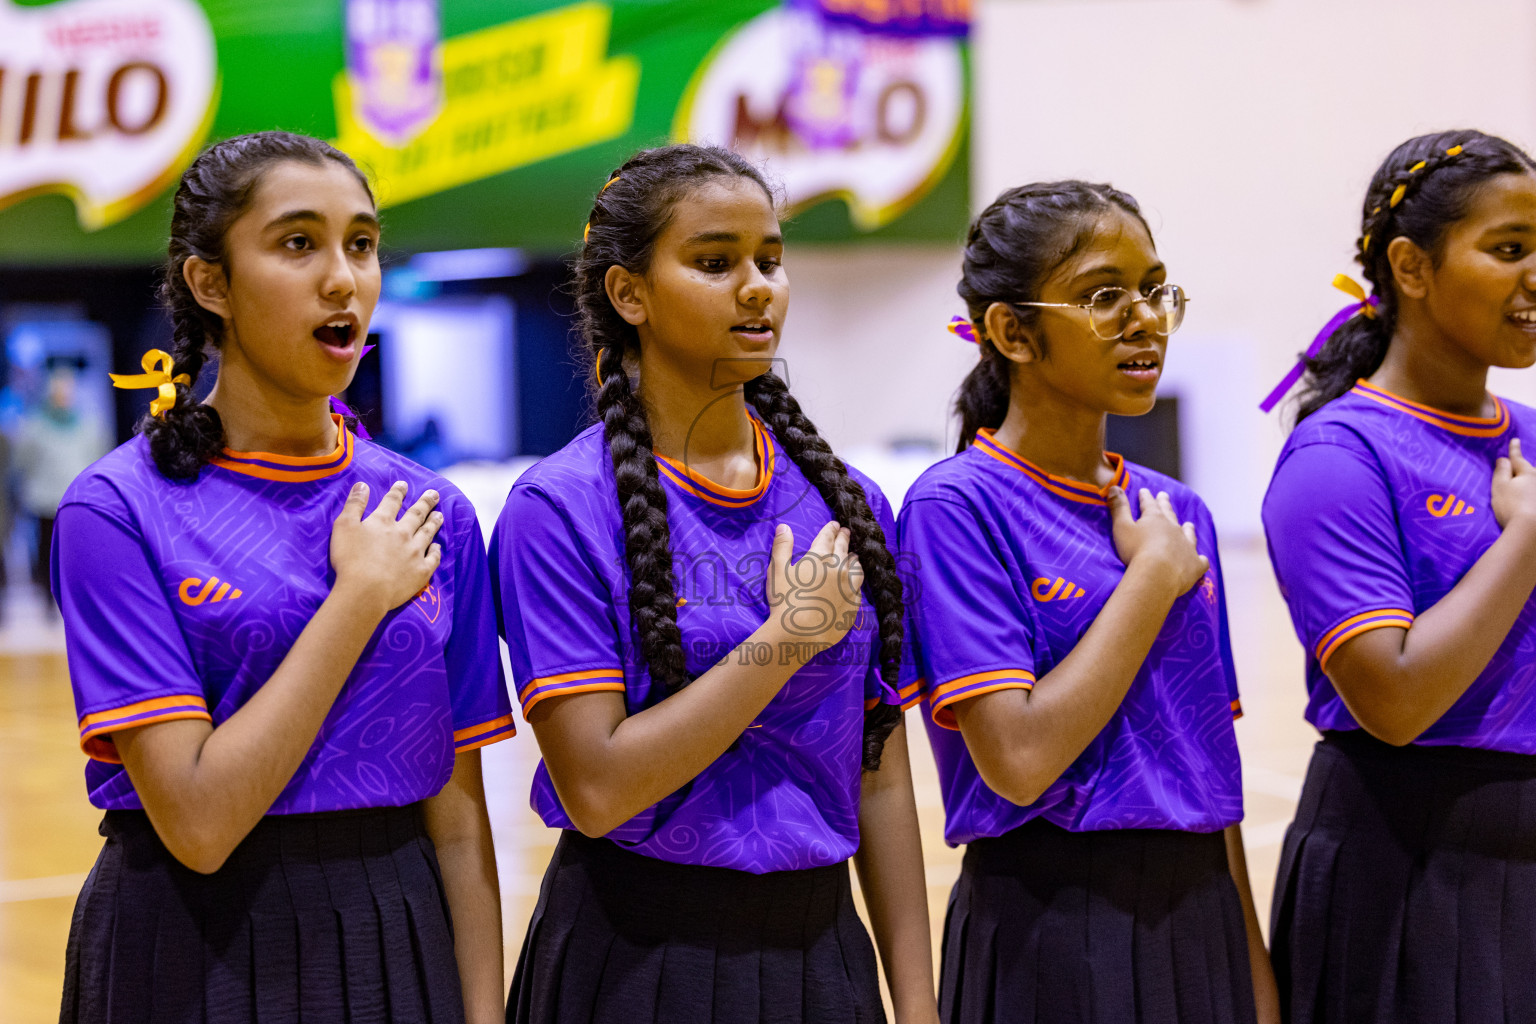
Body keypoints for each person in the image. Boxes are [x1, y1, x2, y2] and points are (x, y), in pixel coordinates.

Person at [54, 131, 511, 1024]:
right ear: (210, 283)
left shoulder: (434, 512)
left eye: (363, 243)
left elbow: (459, 824)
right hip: (191, 943)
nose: (344, 278)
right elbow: (197, 819)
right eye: (299, 244)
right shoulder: (115, 509)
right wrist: (356, 600)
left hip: (395, 928)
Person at [491, 143, 938, 1024]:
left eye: (770, 260)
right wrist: (786, 640)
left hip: (822, 957)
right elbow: (599, 786)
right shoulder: (560, 509)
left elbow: (879, 771)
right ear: (630, 295)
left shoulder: (849, 503)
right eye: (714, 262)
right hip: (633, 959)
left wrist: (916, 1004)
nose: (758, 286)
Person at [903, 182, 1278, 1024]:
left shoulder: (1180, 514)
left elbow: (1209, 774)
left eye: (1155, 288)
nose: (1145, 317)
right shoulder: (956, 507)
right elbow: (1020, 758)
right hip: (1052, 934)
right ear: (1011, 331)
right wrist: (1148, 582)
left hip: (1200, 923)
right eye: (1105, 295)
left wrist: (1253, 975)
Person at [1263, 129, 1536, 1024]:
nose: (1535, 274)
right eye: (1509, 250)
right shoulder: (1341, 455)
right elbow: (1396, 697)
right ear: (1411, 267)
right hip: (1409, 863)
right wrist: (1524, 541)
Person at [15, 357, 110, 615]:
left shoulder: (89, 425)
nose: (62, 394)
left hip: (78, 501)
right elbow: (22, 461)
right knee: (47, 552)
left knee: (78, 553)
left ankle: (77, 600)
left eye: (67, 389)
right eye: (57, 389)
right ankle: (48, 601)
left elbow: (99, 459)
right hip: (44, 499)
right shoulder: (34, 425)